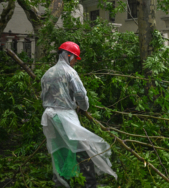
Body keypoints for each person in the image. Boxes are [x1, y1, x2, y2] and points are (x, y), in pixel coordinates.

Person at [40, 41, 117, 188]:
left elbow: (43, 97)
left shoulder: (47, 74)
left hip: (49, 119)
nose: (75, 62)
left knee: (60, 151)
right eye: (75, 58)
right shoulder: (70, 72)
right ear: (68, 55)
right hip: (65, 117)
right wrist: (84, 107)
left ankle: (61, 184)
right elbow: (81, 94)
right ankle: (90, 184)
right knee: (85, 149)